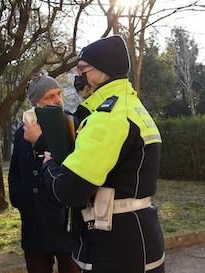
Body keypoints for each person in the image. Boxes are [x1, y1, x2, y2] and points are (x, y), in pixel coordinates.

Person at [39, 35, 165, 273]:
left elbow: (71, 190)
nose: (79, 77)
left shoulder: (108, 118)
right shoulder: (130, 106)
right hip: (139, 243)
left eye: (83, 69)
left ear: (103, 71)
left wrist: (49, 165)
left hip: (116, 251)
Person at [8, 71, 79, 273]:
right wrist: (19, 198)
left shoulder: (71, 124)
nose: (58, 100)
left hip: (64, 219)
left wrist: (40, 141)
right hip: (34, 221)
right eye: (50, 96)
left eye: (59, 94)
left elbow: (71, 166)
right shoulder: (22, 132)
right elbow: (15, 171)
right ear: (36, 102)